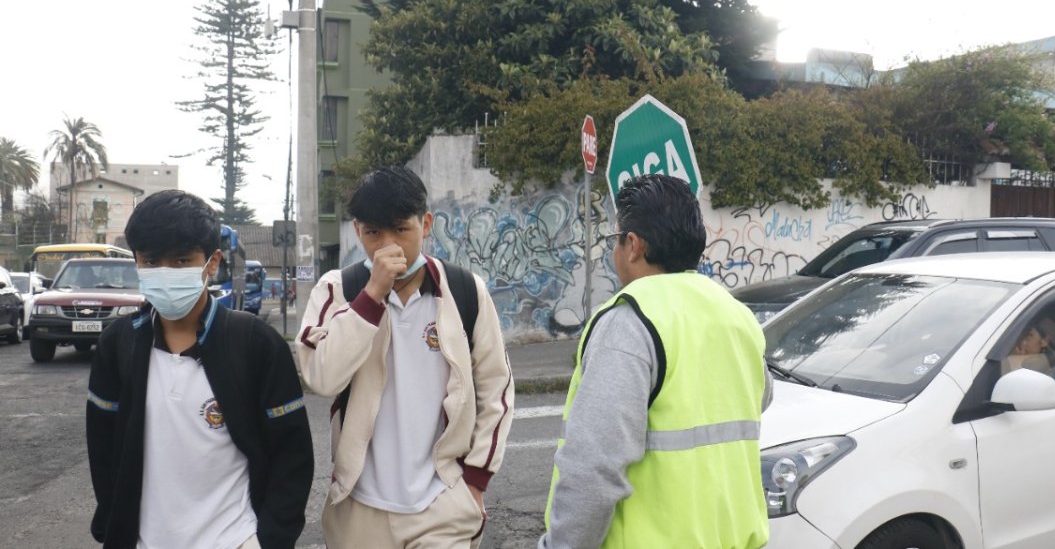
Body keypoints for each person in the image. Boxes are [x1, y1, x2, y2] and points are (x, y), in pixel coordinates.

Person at [541, 174, 772, 549]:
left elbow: (593, 469)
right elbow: (760, 397)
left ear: (632, 245)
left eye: (613, 240)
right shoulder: (736, 315)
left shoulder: (629, 321)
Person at [296, 166, 514, 549]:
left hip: (441, 504)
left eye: (401, 229)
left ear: (426, 224)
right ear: (357, 230)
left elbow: (495, 386)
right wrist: (371, 297)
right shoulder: (337, 289)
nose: (388, 245)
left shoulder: (464, 290)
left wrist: (475, 483)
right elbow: (322, 378)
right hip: (359, 509)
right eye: (373, 233)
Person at [86, 190, 314, 549]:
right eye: (151, 261)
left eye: (180, 262)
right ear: (136, 262)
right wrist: (113, 525)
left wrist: (268, 539)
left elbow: (293, 453)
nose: (165, 274)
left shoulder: (255, 343)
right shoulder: (119, 345)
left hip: (236, 539)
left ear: (211, 262)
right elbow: (102, 449)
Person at [1008, 317, 1055, 391]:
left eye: (1029, 336)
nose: (1022, 342)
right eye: (1020, 336)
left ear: (1045, 341)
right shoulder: (1007, 361)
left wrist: (1017, 363)